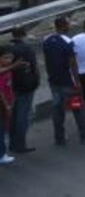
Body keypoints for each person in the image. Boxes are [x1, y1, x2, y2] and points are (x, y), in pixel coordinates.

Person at [43, 17, 85, 146]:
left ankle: (59, 137)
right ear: (64, 26)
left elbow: (46, 61)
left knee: (58, 110)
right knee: (77, 108)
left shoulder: (47, 40)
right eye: (68, 24)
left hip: (54, 81)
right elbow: (72, 63)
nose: (69, 26)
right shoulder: (68, 42)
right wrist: (77, 82)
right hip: (68, 83)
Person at [8, 27, 39, 155]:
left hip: (11, 86)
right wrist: (37, 81)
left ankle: (11, 143)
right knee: (23, 115)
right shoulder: (27, 49)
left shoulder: (8, 48)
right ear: (24, 34)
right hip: (26, 86)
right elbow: (34, 67)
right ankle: (20, 144)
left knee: (14, 115)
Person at [0, 46, 19, 164]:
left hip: (7, 102)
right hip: (2, 105)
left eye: (10, 57)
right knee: (1, 130)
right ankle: (1, 155)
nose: (9, 60)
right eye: (5, 57)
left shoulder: (6, 70)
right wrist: (6, 106)